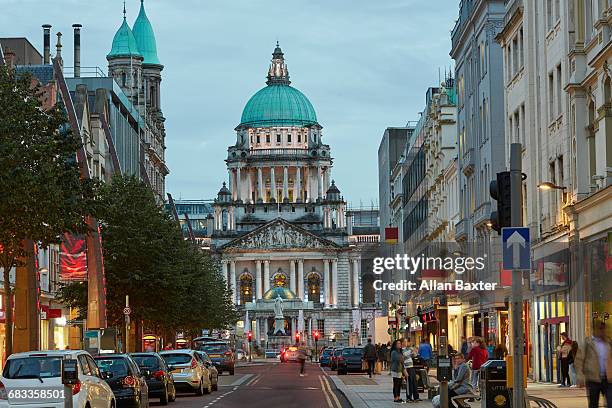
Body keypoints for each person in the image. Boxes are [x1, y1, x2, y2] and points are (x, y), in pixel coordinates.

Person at [575, 321, 612, 408]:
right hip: (593, 379)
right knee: (593, 404)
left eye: (603, 329)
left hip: (608, 379)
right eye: (600, 329)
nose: (602, 331)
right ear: (594, 330)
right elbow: (579, 360)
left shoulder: (609, 343)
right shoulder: (587, 343)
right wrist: (580, 376)